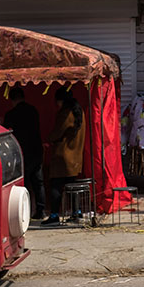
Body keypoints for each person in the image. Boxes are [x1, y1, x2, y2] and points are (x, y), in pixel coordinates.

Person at [42, 85, 86, 226]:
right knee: (72, 186)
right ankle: (76, 212)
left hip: (63, 155)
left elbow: (57, 133)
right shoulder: (80, 112)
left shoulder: (65, 113)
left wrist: (49, 138)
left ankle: (54, 215)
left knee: (55, 185)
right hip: (75, 156)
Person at [1, 85, 45, 219]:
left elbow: (5, 130)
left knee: (23, 183)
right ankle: (41, 210)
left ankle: (24, 211)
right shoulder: (33, 110)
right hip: (37, 150)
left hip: (22, 152)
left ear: (12, 99)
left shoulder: (11, 114)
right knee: (38, 182)